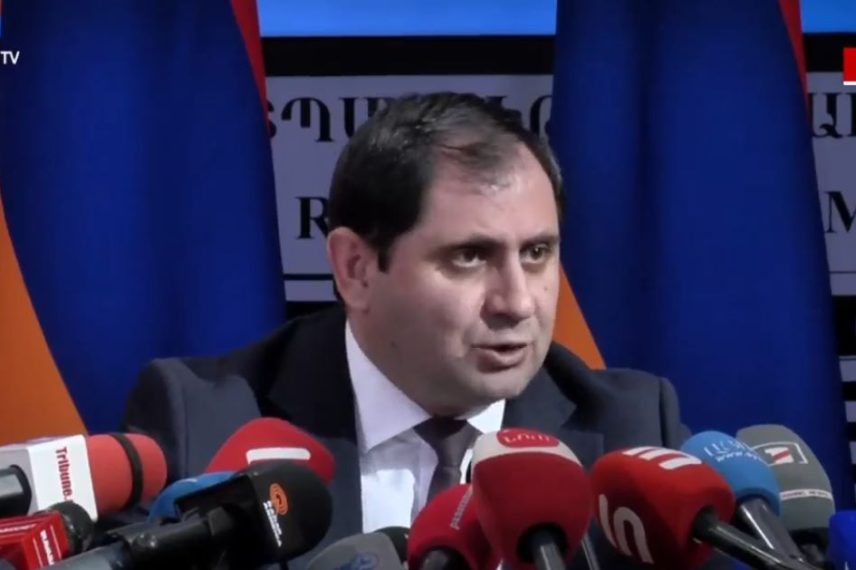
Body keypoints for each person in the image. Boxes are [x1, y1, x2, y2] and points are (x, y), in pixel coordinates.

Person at [123, 92, 724, 569]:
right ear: (356, 269)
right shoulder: (208, 424)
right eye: (470, 257)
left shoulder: (630, 433)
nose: (518, 302)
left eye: (537, 253)